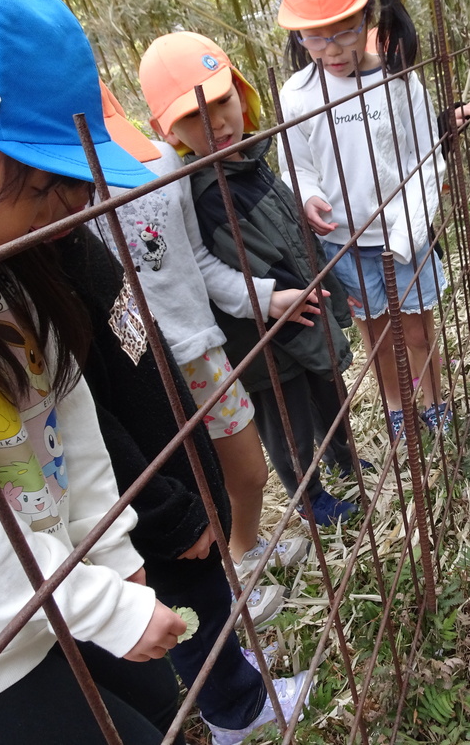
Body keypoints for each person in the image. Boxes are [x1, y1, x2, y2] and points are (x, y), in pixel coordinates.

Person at [0, 0, 185, 742]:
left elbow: (66, 402)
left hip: (56, 577)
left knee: (162, 706)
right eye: (40, 178)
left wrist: (108, 551)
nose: (68, 206)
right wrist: (98, 606)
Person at [59, 224, 311, 745]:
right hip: (148, 500)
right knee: (190, 603)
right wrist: (163, 511)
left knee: (205, 595)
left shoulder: (65, 240)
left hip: (169, 470)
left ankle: (228, 675)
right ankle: (237, 709)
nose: (70, 192)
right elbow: (87, 425)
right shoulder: (43, 271)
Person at [91, 82, 312, 621]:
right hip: (141, 367)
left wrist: (262, 297)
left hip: (201, 348)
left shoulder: (163, 162)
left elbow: (194, 258)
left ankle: (245, 548)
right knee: (188, 490)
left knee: (248, 471)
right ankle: (227, 583)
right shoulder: (68, 196)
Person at [138, 31, 367, 526]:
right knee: (288, 420)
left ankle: (343, 456)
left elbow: (294, 233)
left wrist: (333, 294)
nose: (216, 121)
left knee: (330, 389)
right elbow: (211, 265)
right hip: (262, 334)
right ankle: (308, 496)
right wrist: (266, 298)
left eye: (222, 100)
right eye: (192, 116)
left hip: (306, 306)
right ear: (169, 130)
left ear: (242, 93)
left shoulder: (252, 158)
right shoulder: (201, 191)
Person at [276, 0, 454, 441]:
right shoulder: (297, 96)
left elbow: (427, 159)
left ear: (367, 18)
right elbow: (295, 166)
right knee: (377, 338)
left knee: (416, 330)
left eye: (344, 32)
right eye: (315, 37)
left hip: (403, 235)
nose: (332, 50)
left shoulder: (398, 82)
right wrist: (310, 195)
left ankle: (432, 398)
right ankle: (397, 405)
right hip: (345, 242)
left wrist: (408, 231)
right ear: (299, 36)